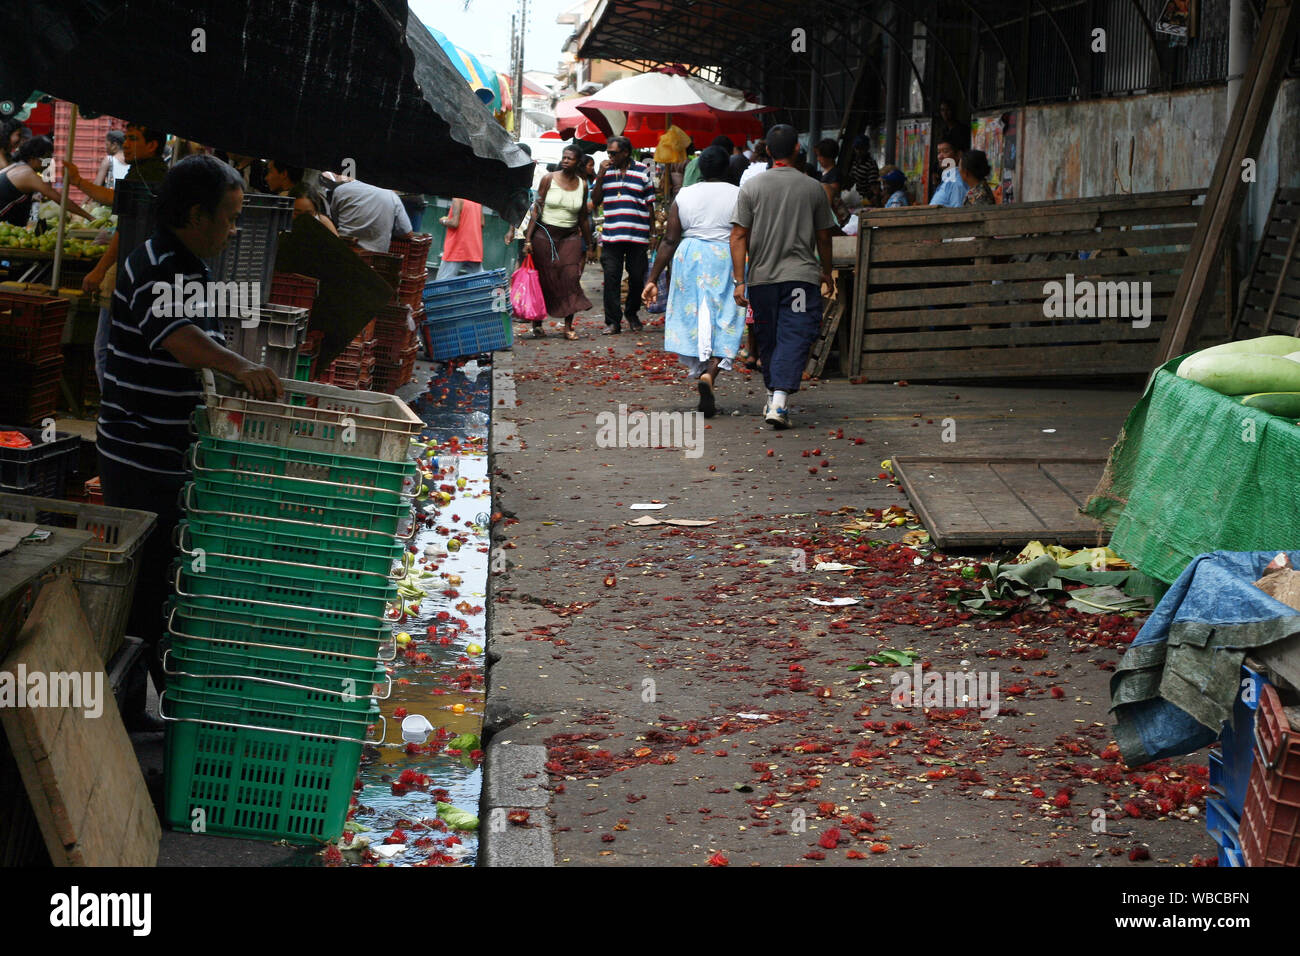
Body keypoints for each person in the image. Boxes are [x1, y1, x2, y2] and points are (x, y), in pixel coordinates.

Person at [98, 155, 281, 728]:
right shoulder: (157, 264)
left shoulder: (188, 265)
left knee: (161, 580)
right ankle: (140, 712)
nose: (233, 232)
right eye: (228, 219)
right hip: (139, 452)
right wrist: (239, 368)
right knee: (151, 584)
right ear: (195, 215)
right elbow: (180, 339)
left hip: (167, 448)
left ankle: (147, 707)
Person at [730, 124, 835, 430]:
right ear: (797, 150)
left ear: (768, 152)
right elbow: (825, 237)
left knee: (769, 336)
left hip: (761, 279)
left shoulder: (751, 187)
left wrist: (740, 280)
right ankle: (778, 399)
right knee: (795, 333)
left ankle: (774, 396)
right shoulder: (813, 187)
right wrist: (826, 270)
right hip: (800, 278)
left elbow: (738, 236)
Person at [642, 146, 744, 418]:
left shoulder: (684, 195)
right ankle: (711, 373)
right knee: (725, 318)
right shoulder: (738, 194)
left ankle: (702, 371)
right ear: (728, 169)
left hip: (690, 257)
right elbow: (745, 234)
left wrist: (652, 279)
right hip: (726, 256)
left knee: (697, 317)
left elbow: (670, 239)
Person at [66, 123, 169, 389]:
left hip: (131, 271)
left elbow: (114, 202)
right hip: (142, 270)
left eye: (134, 139)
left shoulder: (147, 174)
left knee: (106, 348)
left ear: (152, 145)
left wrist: (78, 181)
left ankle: (112, 405)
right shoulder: (146, 171)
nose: (127, 144)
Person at [522, 144, 595, 341]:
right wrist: (528, 239)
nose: (565, 160)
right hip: (544, 235)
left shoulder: (583, 184)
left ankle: (568, 326)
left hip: (570, 236)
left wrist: (589, 245)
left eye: (569, 158)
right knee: (545, 278)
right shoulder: (548, 179)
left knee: (571, 277)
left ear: (577, 162)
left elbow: (582, 217)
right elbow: (536, 210)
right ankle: (537, 323)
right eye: (564, 157)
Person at [591, 135, 654, 334]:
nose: (610, 156)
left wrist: (652, 234)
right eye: (608, 152)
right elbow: (595, 200)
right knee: (611, 278)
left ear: (626, 152)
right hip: (612, 236)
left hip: (637, 236)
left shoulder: (644, 171)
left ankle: (632, 313)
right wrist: (600, 175)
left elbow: (650, 204)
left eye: (614, 153)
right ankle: (613, 321)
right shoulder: (606, 172)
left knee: (637, 277)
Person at [0, 136, 96, 227]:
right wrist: (90, 217)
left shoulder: (17, 167)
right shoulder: (28, 174)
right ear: (33, 158)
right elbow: (61, 200)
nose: (49, 163)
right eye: (46, 159)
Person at [330, 176, 414, 253]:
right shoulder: (391, 196)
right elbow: (407, 233)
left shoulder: (340, 190)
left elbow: (335, 220)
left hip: (343, 251)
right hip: (375, 258)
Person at [265, 159, 339, 234]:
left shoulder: (283, 200)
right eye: (297, 213)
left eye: (270, 171)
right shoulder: (319, 198)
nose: (266, 178)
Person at [437, 198, 484, 280]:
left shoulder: (457, 199)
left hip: (457, 248)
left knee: (441, 284)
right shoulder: (477, 201)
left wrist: (443, 220)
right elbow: (482, 223)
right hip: (473, 249)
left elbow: (454, 223)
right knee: (481, 281)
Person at [813, 138, 849, 224]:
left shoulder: (834, 174)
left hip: (835, 217)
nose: (818, 159)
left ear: (828, 157)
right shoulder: (825, 173)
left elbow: (830, 198)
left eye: (819, 156)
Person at [929, 140, 968, 207]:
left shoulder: (955, 182)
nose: (940, 157)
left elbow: (958, 212)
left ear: (958, 154)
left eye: (945, 152)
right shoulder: (948, 178)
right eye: (939, 152)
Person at [848, 135, 882, 207]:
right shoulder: (855, 162)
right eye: (857, 148)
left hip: (868, 200)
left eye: (861, 149)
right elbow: (852, 179)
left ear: (867, 148)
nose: (859, 151)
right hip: (857, 198)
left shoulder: (870, 164)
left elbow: (874, 187)